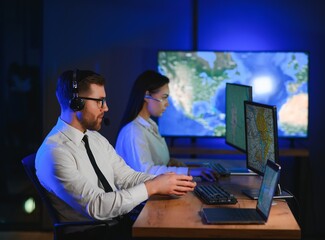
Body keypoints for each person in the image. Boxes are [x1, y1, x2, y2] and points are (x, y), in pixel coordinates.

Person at [35, 69, 196, 239]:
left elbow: (126, 178)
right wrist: (152, 187)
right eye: (99, 101)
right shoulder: (54, 153)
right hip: (92, 234)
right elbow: (97, 206)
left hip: (117, 224)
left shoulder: (95, 139)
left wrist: (166, 182)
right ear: (76, 103)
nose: (106, 107)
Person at [115, 70, 218, 182]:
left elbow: (154, 162)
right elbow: (145, 172)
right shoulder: (133, 131)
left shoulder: (150, 125)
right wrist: (189, 171)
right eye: (164, 97)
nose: (167, 103)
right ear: (147, 95)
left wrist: (171, 163)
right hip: (144, 199)